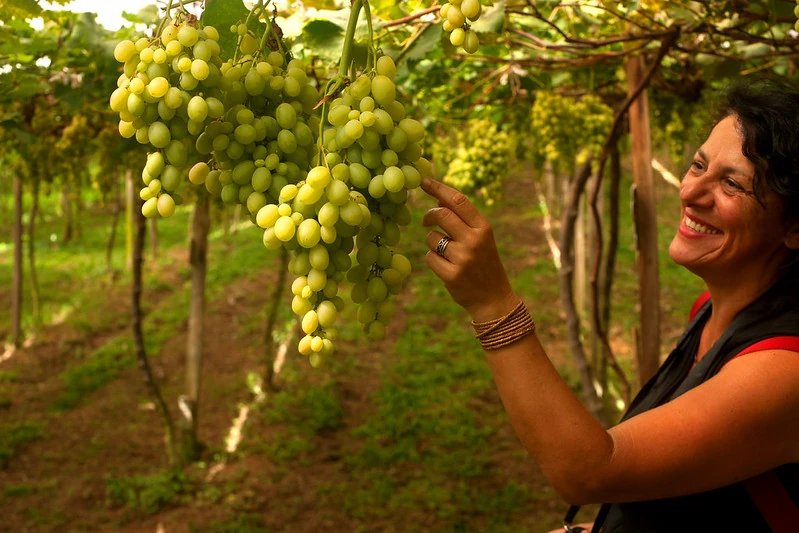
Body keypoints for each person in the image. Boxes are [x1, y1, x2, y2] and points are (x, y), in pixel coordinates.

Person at [420, 77, 799, 532]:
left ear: (794, 226)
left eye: (732, 184)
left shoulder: (786, 370)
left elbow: (592, 471)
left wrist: (492, 304)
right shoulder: (712, 310)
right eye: (697, 166)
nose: (690, 193)